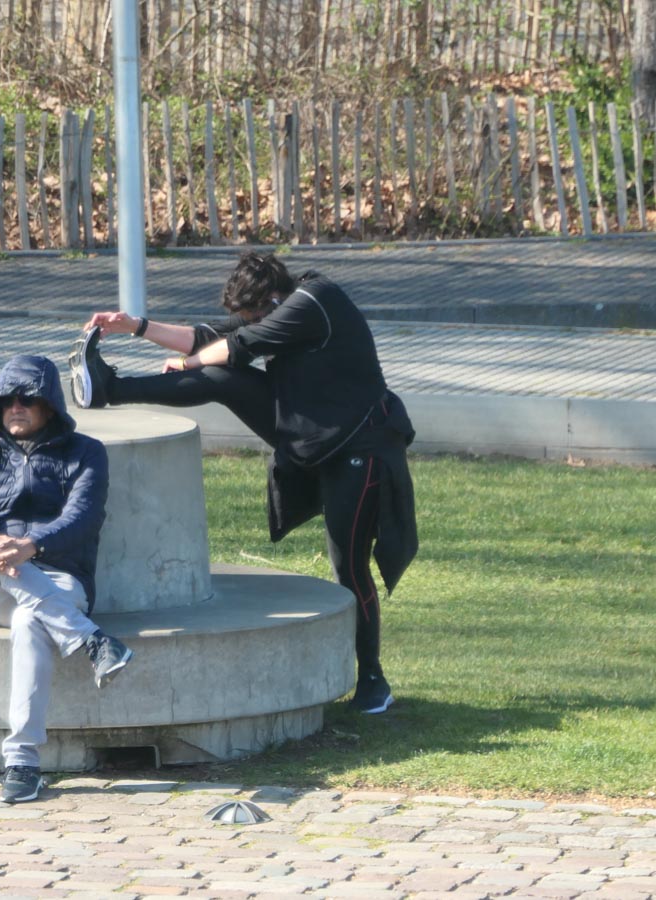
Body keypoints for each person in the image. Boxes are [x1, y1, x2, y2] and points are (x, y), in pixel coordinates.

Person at [69, 249, 416, 715]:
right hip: (313, 433)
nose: (249, 320)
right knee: (220, 375)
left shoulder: (316, 301)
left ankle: (372, 678)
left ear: (272, 300)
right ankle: (108, 388)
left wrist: (187, 365)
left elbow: (239, 345)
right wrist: (136, 326)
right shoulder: (277, 306)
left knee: (349, 568)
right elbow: (210, 338)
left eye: (253, 313)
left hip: (361, 446)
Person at [0, 354, 132, 804]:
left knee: (31, 619)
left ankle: (22, 763)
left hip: (62, 577)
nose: (15, 407)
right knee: (1, 558)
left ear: (49, 405)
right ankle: (91, 640)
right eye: (7, 400)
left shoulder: (87, 452)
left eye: (26, 399)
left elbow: (84, 518)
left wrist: (31, 545)